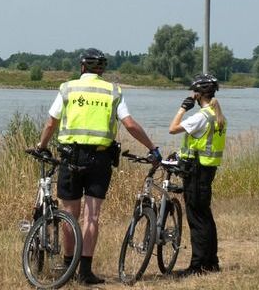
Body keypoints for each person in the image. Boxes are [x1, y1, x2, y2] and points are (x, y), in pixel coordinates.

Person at [36, 48, 160, 284]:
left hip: (71, 157)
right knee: (92, 216)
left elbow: (52, 121)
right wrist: (152, 147)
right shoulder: (113, 91)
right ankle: (85, 272)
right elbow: (130, 124)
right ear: (102, 70)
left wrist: (42, 145)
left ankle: (67, 268)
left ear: (82, 67)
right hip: (100, 160)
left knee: (68, 215)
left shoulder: (68, 88)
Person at [169, 73, 226, 276]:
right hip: (207, 169)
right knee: (205, 216)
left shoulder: (202, 116)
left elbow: (173, 128)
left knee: (197, 219)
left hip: (196, 171)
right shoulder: (216, 114)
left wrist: (183, 108)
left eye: (194, 92)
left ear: (199, 94)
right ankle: (211, 262)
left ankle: (198, 266)